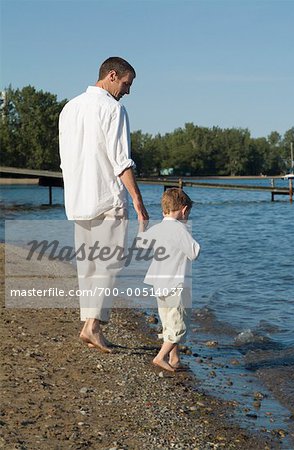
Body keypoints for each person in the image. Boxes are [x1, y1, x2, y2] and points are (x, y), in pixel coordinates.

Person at [59, 57, 149, 353]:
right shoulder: (112, 109)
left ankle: (89, 324)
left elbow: (65, 160)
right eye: (126, 84)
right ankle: (93, 327)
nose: (127, 91)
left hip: (78, 199)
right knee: (108, 264)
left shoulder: (69, 109)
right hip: (107, 197)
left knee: (88, 265)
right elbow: (121, 160)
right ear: (112, 76)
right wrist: (138, 200)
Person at [137, 188, 200, 371]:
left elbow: (141, 245)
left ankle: (174, 358)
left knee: (168, 322)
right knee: (179, 325)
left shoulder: (158, 228)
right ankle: (160, 356)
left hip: (159, 284)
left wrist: (142, 225)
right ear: (184, 210)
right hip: (176, 284)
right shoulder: (180, 229)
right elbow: (195, 252)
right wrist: (186, 231)